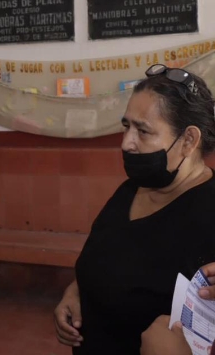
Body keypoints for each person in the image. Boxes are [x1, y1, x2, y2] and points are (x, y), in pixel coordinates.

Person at [54, 64, 215, 354]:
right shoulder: (129, 191)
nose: (126, 143)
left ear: (189, 140)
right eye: (126, 126)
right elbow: (102, 261)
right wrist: (76, 292)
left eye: (143, 130)